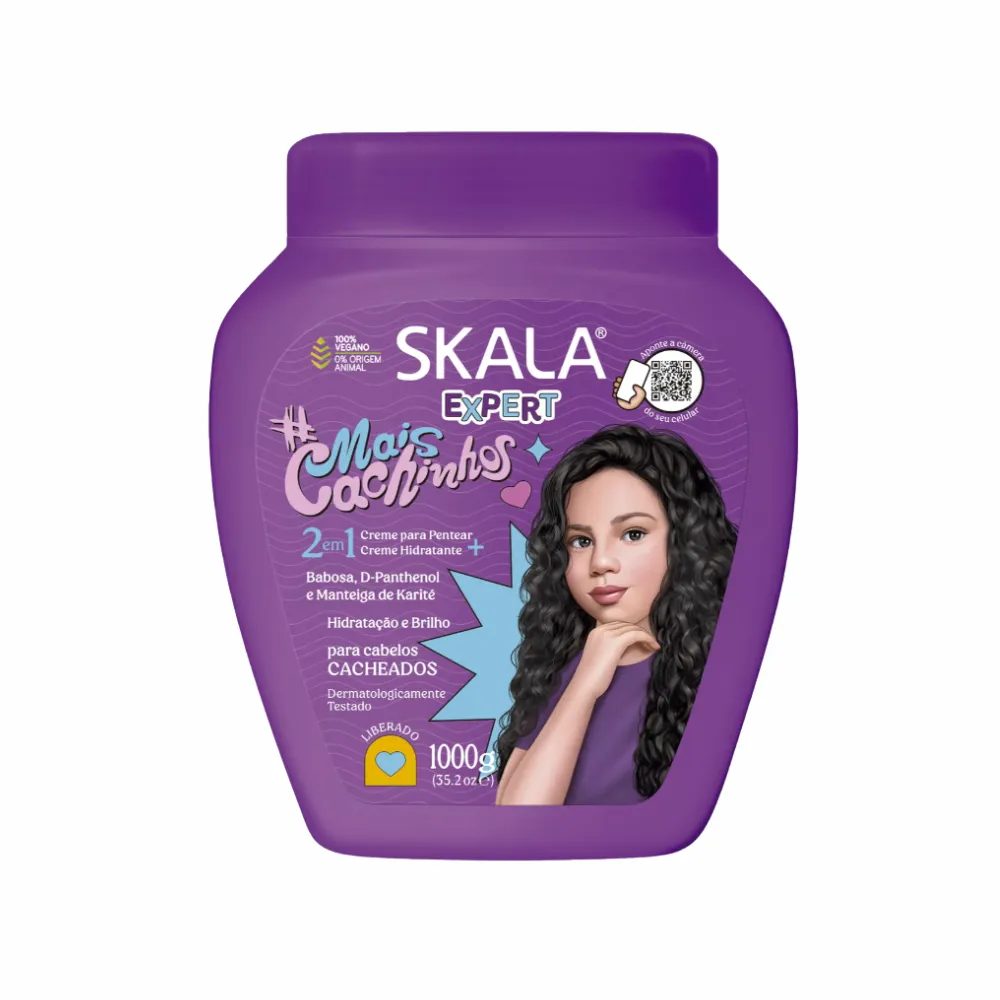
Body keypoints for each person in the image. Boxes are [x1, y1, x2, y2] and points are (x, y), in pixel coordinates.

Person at [494, 423, 737, 805]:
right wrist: (584, 685)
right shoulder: (565, 670)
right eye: (580, 541)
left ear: (686, 540)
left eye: (633, 534)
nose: (601, 562)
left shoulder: (725, 667)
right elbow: (518, 817)